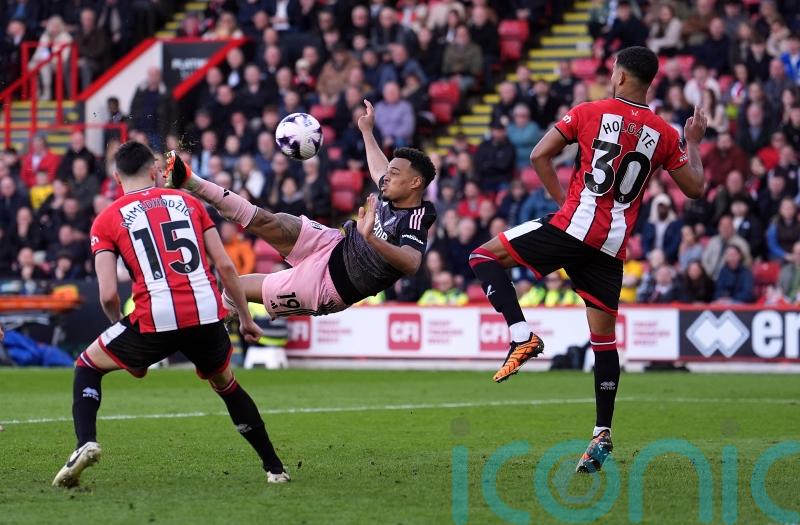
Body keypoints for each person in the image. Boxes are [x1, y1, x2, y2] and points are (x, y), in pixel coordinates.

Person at [469, 47, 706, 474]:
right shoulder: (665, 133)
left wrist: (563, 203)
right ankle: (601, 432)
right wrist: (695, 142)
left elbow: (539, 155)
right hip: (611, 247)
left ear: (619, 76)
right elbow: (696, 188)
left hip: (573, 226)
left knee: (482, 256)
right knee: (603, 341)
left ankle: (522, 335)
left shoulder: (588, 111)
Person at [52, 141, 289, 489]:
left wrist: (121, 330)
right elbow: (226, 267)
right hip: (206, 312)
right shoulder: (190, 203)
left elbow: (107, 294)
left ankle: (84, 442)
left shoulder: (106, 219)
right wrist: (246, 318)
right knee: (226, 385)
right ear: (154, 171)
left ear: (116, 177)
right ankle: (274, 467)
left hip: (155, 317)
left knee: (87, 365)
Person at [164, 100, 437, 320]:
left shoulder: (416, 218)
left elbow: (412, 263)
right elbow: (379, 168)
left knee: (236, 286)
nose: (386, 177)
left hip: (328, 285)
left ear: (415, 183)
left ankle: (220, 320)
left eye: (394, 173)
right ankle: (189, 180)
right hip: (333, 243)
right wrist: (367, 131)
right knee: (271, 220)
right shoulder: (391, 191)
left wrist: (371, 238)